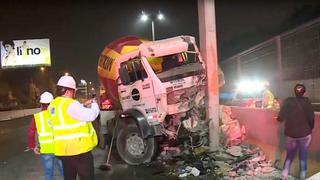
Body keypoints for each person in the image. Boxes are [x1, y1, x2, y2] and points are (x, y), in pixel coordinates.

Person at [48, 75, 99, 180]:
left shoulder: (53, 105)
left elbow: (66, 115)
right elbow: (91, 115)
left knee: (69, 177)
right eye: (73, 91)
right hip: (79, 151)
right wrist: (94, 104)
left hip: (64, 152)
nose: (74, 93)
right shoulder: (70, 104)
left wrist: (83, 105)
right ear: (68, 91)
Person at [277, 84, 315, 179]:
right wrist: (310, 129)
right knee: (303, 157)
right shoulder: (307, 102)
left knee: (289, 156)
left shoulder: (288, 101)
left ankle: (284, 175)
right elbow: (311, 119)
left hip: (291, 135)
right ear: (304, 92)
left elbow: (280, 118)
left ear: (294, 92)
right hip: (305, 134)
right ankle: (302, 177)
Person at [28, 91, 64, 180]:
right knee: (64, 171)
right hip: (60, 148)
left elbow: (31, 132)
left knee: (48, 173)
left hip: (46, 150)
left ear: (41, 104)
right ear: (52, 103)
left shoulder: (37, 117)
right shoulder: (58, 114)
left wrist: (32, 147)